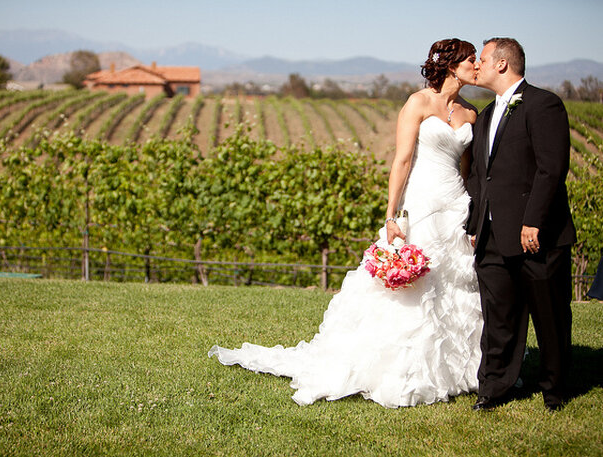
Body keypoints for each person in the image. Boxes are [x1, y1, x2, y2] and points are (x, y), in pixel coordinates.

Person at [209, 39, 483, 408]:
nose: (477, 64)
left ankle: (456, 368)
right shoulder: (417, 103)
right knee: (413, 288)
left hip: (455, 206)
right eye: (470, 60)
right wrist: (391, 214)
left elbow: (468, 171)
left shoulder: (471, 113)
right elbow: (401, 161)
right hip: (420, 204)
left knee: (454, 284)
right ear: (452, 66)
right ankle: (404, 369)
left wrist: (470, 215)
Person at [467, 38, 576, 412]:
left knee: (550, 317)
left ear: (501, 64)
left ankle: (555, 390)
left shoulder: (543, 104)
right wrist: (474, 223)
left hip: (537, 235)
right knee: (498, 319)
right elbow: (482, 177)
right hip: (493, 237)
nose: (475, 66)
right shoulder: (484, 116)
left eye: (481, 60)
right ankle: (494, 388)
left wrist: (533, 221)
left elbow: (551, 168)